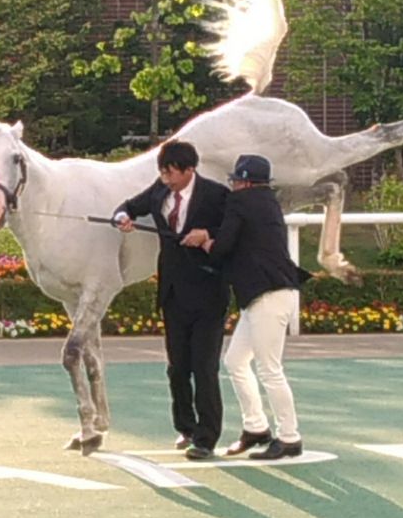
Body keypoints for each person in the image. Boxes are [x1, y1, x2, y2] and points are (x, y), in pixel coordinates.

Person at [182, 154, 312, 460]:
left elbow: (222, 249)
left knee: (269, 370)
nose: (233, 186)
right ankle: (255, 427)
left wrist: (203, 240)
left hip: (268, 294)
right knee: (236, 361)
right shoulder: (267, 201)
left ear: (245, 182)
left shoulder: (242, 202)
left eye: (236, 181)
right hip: (268, 294)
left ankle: (290, 436)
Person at [114, 141, 230, 460]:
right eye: (162, 172)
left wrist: (207, 235)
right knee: (177, 368)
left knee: (204, 368)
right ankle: (186, 427)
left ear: (190, 170)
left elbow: (234, 231)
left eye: (171, 172)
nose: (166, 178)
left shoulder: (216, 195)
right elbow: (128, 206)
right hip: (173, 294)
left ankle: (207, 438)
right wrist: (122, 217)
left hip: (209, 295)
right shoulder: (159, 190)